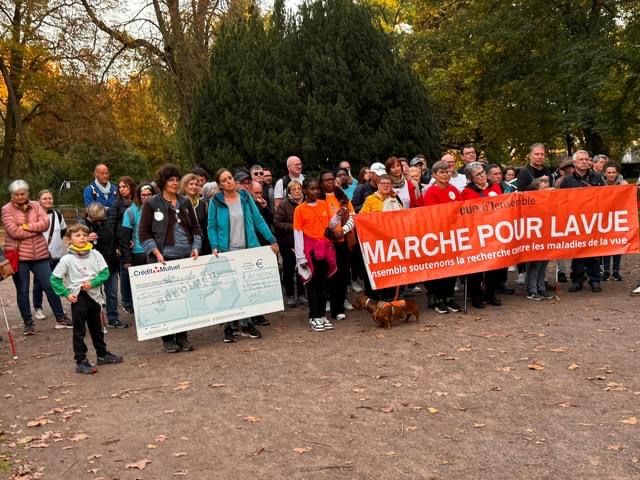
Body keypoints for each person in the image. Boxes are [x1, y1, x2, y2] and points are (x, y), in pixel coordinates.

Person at [208, 168, 279, 343]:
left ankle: (247, 323)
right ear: (219, 185)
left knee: (247, 288)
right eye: (223, 180)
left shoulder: (246, 197)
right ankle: (230, 326)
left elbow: (258, 220)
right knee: (229, 289)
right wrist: (215, 245)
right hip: (227, 250)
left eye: (230, 178)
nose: (228, 182)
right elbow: (212, 226)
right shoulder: (216, 201)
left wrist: (271, 239)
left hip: (249, 249)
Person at [139, 164, 202, 353]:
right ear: (163, 182)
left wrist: (196, 247)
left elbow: (196, 229)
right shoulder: (152, 204)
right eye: (171, 180)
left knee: (184, 297)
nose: (175, 183)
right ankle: (167, 338)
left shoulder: (185, 202)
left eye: (176, 179)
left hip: (186, 257)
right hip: (164, 259)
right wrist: (155, 252)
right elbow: (143, 232)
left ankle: (182, 336)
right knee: (166, 299)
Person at [50, 224, 124, 374]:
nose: (82, 238)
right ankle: (81, 360)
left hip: (95, 296)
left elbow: (104, 273)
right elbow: (55, 279)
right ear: (69, 239)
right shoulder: (66, 259)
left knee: (97, 328)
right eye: (77, 235)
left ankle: (102, 354)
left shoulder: (95, 254)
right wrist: (66, 293)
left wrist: (93, 283)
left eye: (84, 235)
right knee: (79, 331)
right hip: (78, 297)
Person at [2, 180, 71, 334]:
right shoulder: (6, 210)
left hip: (40, 254)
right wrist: (35, 229)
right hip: (19, 256)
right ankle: (28, 323)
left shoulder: (36, 205)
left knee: (51, 285)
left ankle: (61, 317)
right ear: (11, 195)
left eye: (23, 193)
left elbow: (45, 224)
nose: (20, 197)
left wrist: (26, 227)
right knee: (23, 290)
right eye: (16, 194)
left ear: (27, 193)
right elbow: (13, 232)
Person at [293, 178, 341, 332]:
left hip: (325, 249)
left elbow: (330, 226)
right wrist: (300, 257)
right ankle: (314, 316)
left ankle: (321, 315)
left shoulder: (323, 204)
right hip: (310, 251)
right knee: (313, 285)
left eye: (317, 189)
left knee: (323, 284)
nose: (315, 192)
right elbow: (298, 233)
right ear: (305, 190)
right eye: (311, 189)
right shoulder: (300, 209)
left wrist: (338, 216)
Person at [559, 150, 604, 293]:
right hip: (575, 221)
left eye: (586, 159)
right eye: (581, 160)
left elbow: (605, 198)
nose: (584, 162)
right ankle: (577, 280)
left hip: (593, 220)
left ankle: (595, 280)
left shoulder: (597, 178)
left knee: (593, 250)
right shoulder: (566, 181)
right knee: (577, 250)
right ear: (574, 163)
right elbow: (561, 202)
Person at [421, 161, 462, 315]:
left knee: (452, 267)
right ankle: (438, 297)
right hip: (438, 235)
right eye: (442, 172)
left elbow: (460, 208)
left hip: (453, 234)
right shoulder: (431, 192)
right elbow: (432, 214)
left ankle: (449, 296)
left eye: (447, 172)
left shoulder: (453, 190)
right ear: (434, 175)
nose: (445, 175)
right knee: (440, 267)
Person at [461, 162, 503, 308]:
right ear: (471, 178)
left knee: (494, 266)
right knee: (477, 267)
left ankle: (490, 293)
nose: (483, 176)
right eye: (478, 174)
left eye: (483, 172)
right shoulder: (467, 192)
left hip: (494, 231)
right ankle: (476, 296)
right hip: (476, 233)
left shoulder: (496, 187)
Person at [84, 203, 127, 329]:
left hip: (110, 263)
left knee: (112, 293)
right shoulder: (84, 225)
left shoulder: (108, 222)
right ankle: (96, 321)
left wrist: (118, 247)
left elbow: (115, 236)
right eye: (94, 218)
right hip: (92, 265)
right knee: (95, 294)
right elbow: (73, 238)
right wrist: (86, 238)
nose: (97, 220)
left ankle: (113, 318)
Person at [319, 171, 356, 320]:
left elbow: (352, 216)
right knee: (328, 276)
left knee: (342, 275)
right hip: (324, 242)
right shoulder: (317, 199)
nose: (330, 182)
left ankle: (338, 307)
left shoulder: (342, 197)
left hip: (342, 242)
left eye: (331, 179)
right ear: (321, 183)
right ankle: (325, 304)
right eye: (326, 180)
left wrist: (344, 231)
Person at [32, 190, 67, 321]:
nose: (48, 201)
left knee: (55, 281)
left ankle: (57, 306)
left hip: (56, 254)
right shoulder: (34, 216)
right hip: (40, 255)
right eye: (45, 198)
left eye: (50, 198)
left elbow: (63, 230)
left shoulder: (57, 214)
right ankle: (38, 307)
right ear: (38, 200)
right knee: (39, 283)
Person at [274, 180, 307, 308]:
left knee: (302, 267)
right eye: (294, 189)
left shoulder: (306, 203)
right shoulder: (283, 205)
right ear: (289, 192)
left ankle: (302, 293)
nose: (297, 191)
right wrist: (294, 227)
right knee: (289, 268)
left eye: (299, 189)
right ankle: (290, 295)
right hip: (287, 242)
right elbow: (277, 223)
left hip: (303, 242)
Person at [107, 176, 136, 315]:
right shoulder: (116, 204)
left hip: (136, 241)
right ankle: (127, 302)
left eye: (125, 186)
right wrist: (116, 245)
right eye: (120, 187)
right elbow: (112, 225)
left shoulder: (136, 202)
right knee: (124, 273)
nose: (122, 189)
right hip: (122, 242)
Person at [525, 177, 556, 301]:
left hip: (546, 236)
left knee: (543, 264)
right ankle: (532, 290)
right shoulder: (530, 202)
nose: (547, 190)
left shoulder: (549, 201)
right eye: (543, 189)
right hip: (535, 238)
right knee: (535, 265)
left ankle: (541, 287)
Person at [601, 161, 626, 281]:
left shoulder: (623, 184)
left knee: (617, 243)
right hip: (604, 217)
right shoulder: (600, 184)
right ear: (605, 173)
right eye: (609, 172)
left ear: (617, 173)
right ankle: (606, 270)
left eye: (613, 172)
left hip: (618, 217)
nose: (611, 175)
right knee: (606, 244)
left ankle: (616, 270)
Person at [122, 183, 155, 269]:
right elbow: (125, 238)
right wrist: (127, 260)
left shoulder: (159, 209)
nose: (146, 197)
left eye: (149, 194)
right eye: (143, 195)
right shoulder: (131, 211)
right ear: (139, 196)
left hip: (157, 251)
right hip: (138, 253)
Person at [180, 173, 211, 256]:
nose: (194, 187)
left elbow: (207, 226)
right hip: (185, 247)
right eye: (191, 184)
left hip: (204, 246)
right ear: (184, 186)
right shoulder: (178, 204)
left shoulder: (204, 204)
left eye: (196, 184)